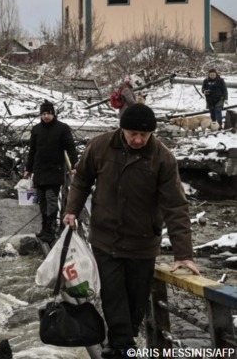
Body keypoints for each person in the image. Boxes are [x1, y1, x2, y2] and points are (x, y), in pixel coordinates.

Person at [62, 104, 200, 358]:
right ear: (122, 129)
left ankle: (118, 345)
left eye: (144, 135)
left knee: (137, 302)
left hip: (143, 242)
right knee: (114, 296)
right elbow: (81, 179)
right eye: (133, 134)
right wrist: (72, 209)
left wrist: (184, 254)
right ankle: (123, 348)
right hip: (106, 238)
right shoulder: (100, 146)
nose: (138, 140)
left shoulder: (162, 158)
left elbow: (176, 207)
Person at [22, 100, 78, 244]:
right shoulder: (36, 129)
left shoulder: (62, 129)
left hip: (55, 170)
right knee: (42, 201)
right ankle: (44, 228)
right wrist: (28, 169)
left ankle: (50, 230)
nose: (46, 116)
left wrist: (74, 165)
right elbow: (32, 151)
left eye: (49, 114)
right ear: (41, 115)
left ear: (54, 114)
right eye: (44, 114)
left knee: (51, 200)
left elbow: (71, 148)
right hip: (39, 170)